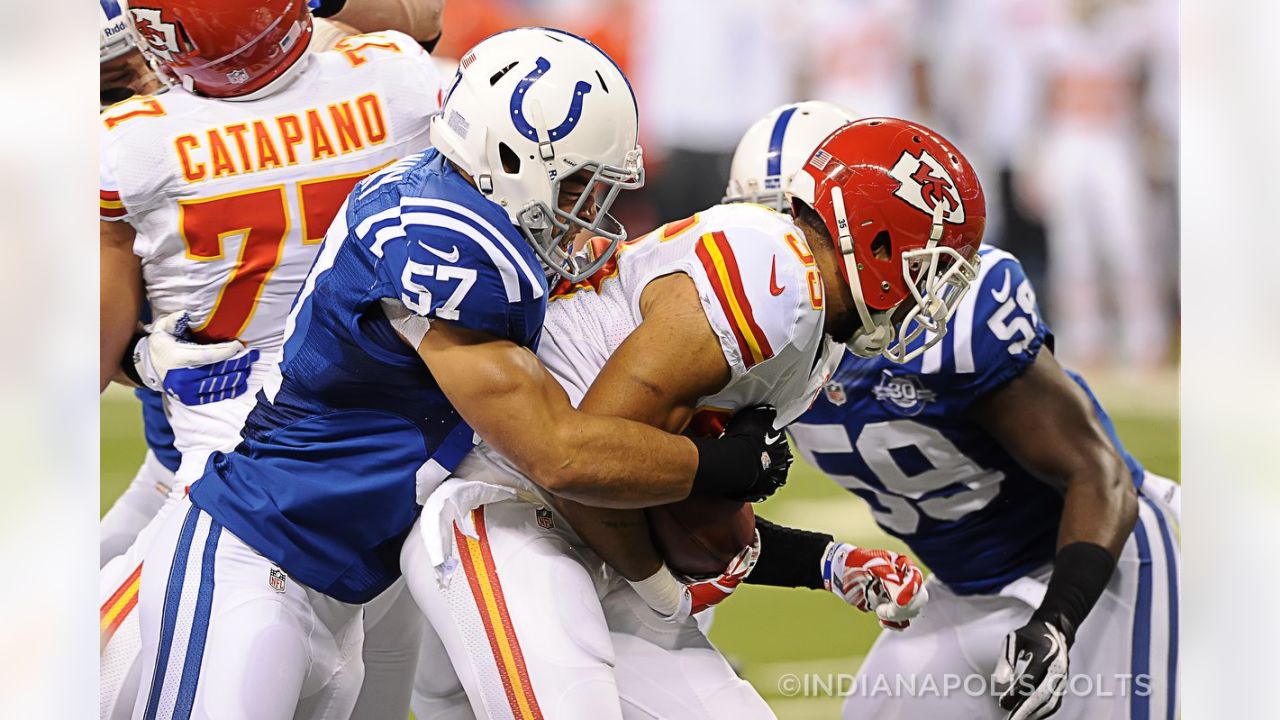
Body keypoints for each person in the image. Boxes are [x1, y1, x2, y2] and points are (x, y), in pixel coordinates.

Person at [126, 26, 786, 720]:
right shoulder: (445, 241)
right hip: (252, 556)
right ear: (510, 156)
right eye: (577, 183)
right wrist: (716, 466)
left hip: (349, 592)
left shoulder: (462, 206)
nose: (589, 210)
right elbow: (556, 451)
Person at [404, 115, 984, 719]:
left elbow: (683, 502)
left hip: (585, 524)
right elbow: (579, 459)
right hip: (504, 502)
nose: (932, 292)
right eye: (932, 267)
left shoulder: (817, 336)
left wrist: (823, 562)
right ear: (877, 242)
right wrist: (658, 586)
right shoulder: (779, 282)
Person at [726, 102, 1180, 719]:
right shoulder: (742, 339)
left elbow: (1099, 475)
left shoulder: (948, 317)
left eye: (803, 224)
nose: (786, 249)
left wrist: (1058, 620)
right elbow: (696, 509)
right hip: (963, 588)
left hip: (1094, 565)